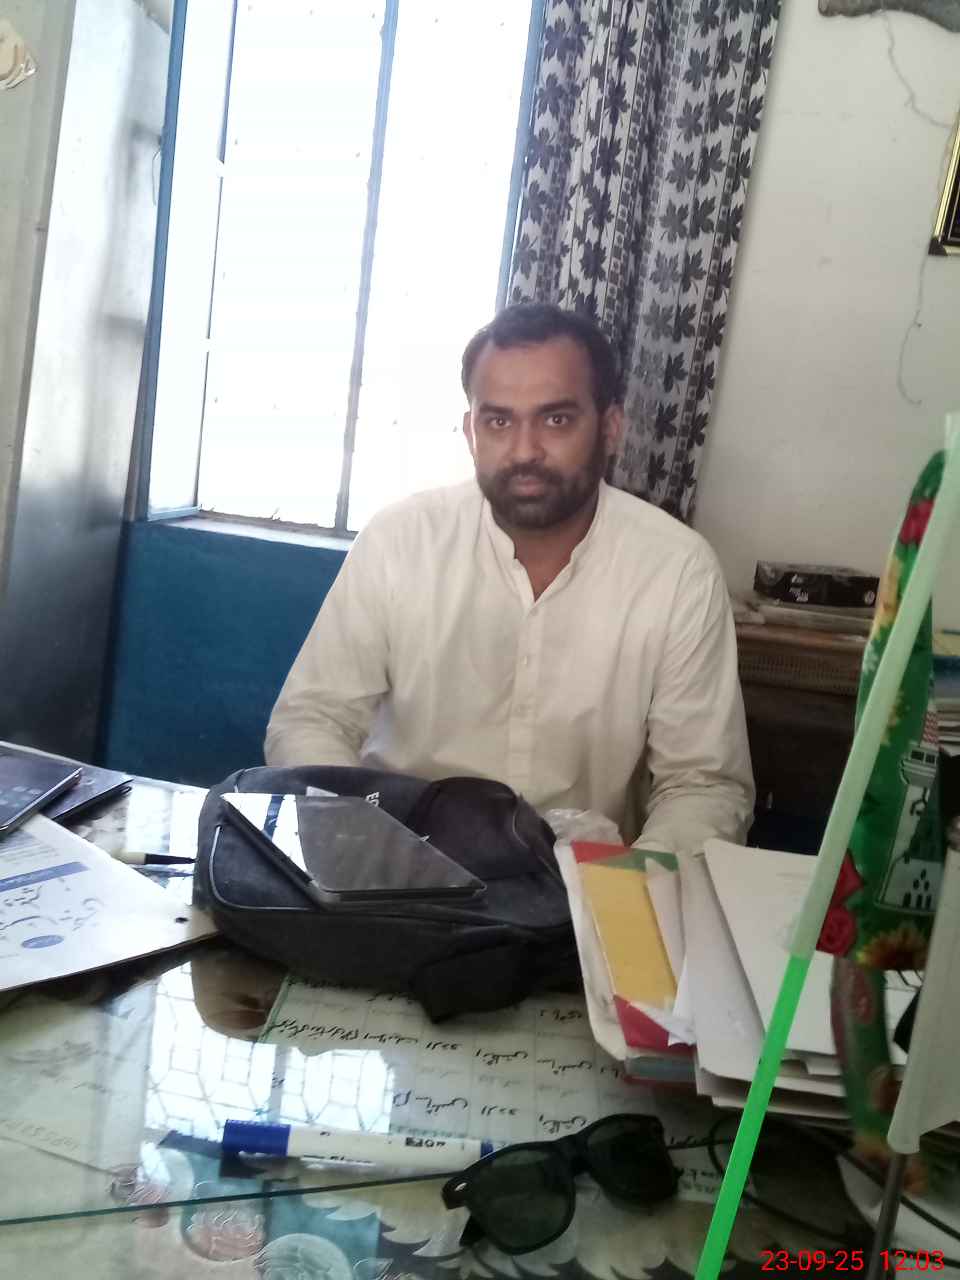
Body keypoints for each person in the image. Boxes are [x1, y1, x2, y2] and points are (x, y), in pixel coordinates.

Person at [265, 303, 754, 853]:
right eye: (499, 421)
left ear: (610, 428)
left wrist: (626, 893)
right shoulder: (400, 540)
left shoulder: (678, 569)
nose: (524, 452)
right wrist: (361, 842)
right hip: (399, 867)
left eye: (556, 420)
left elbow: (703, 785)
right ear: (471, 431)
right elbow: (312, 718)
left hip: (583, 883)